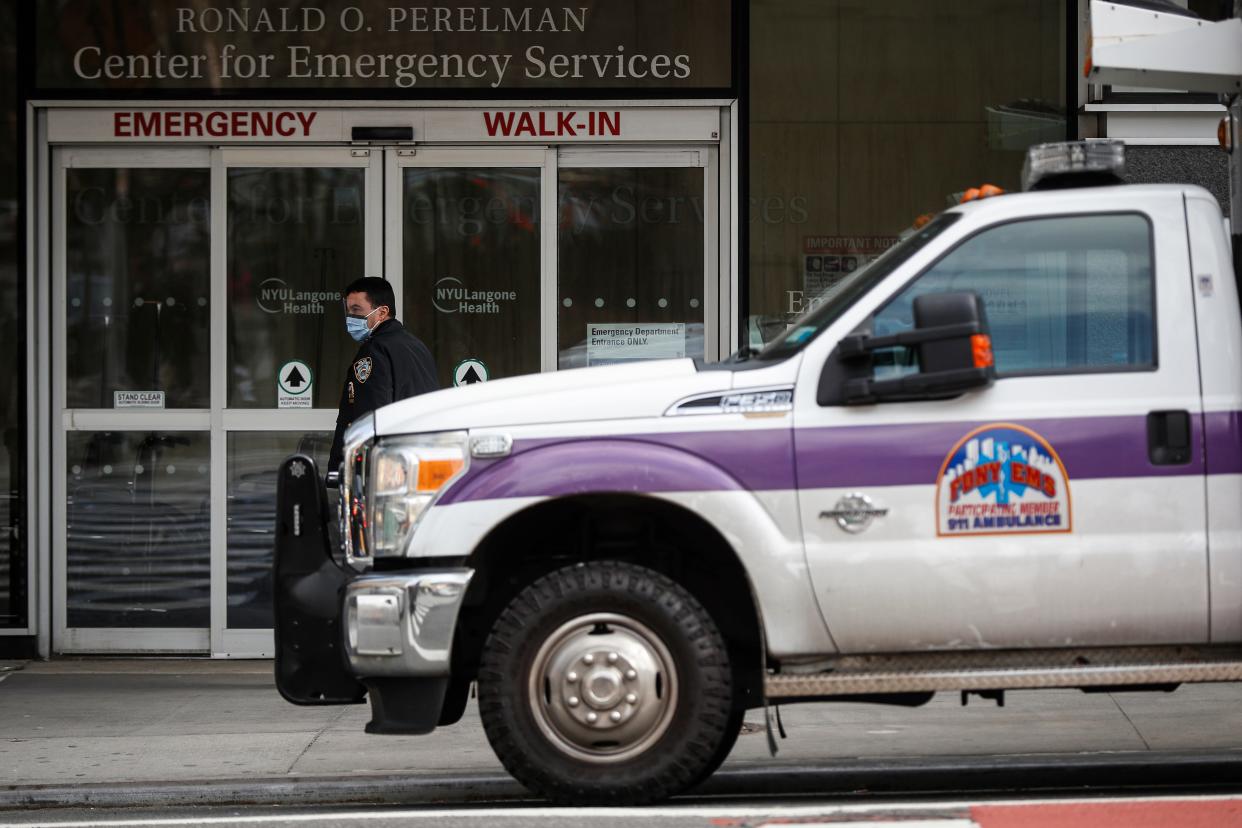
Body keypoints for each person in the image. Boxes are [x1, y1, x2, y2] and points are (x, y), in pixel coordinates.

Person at [327, 277, 438, 476]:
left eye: (356, 310)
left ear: (382, 312)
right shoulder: (416, 346)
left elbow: (369, 418)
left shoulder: (374, 351)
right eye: (348, 310)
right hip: (417, 459)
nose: (350, 317)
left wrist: (346, 470)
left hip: (382, 469)